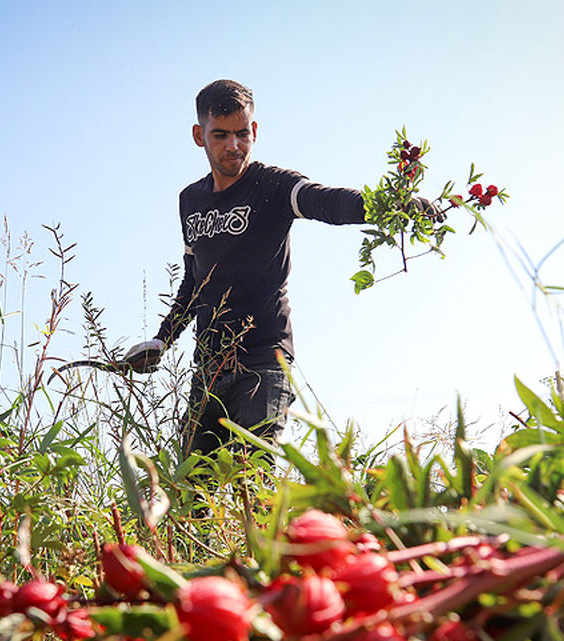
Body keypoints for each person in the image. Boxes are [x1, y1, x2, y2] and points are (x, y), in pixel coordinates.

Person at [125, 79, 436, 456]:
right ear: (199, 135)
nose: (233, 146)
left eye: (242, 133)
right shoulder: (190, 199)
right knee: (191, 497)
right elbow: (194, 281)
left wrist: (389, 205)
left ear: (254, 130)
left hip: (264, 362)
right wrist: (162, 339)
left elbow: (327, 202)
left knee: (252, 476)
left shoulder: (273, 185)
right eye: (220, 135)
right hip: (208, 368)